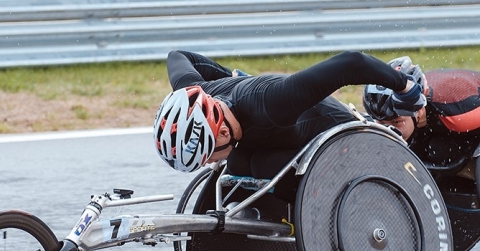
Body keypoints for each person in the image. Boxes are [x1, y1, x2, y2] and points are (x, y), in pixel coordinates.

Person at [153, 50, 424, 185]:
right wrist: (228, 77)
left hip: (335, 135)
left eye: (206, 156)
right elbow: (177, 56)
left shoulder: (272, 102)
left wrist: (404, 86)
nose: (206, 163)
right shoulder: (197, 94)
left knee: (261, 167)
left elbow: (352, 63)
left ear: (222, 132)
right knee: (237, 168)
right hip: (275, 136)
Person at [363, 57, 480, 170]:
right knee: (430, 151)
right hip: (436, 121)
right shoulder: (403, 113)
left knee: (441, 151)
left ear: (418, 111)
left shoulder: (458, 113)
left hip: (468, 110)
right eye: (382, 122)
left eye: (396, 122)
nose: (390, 130)